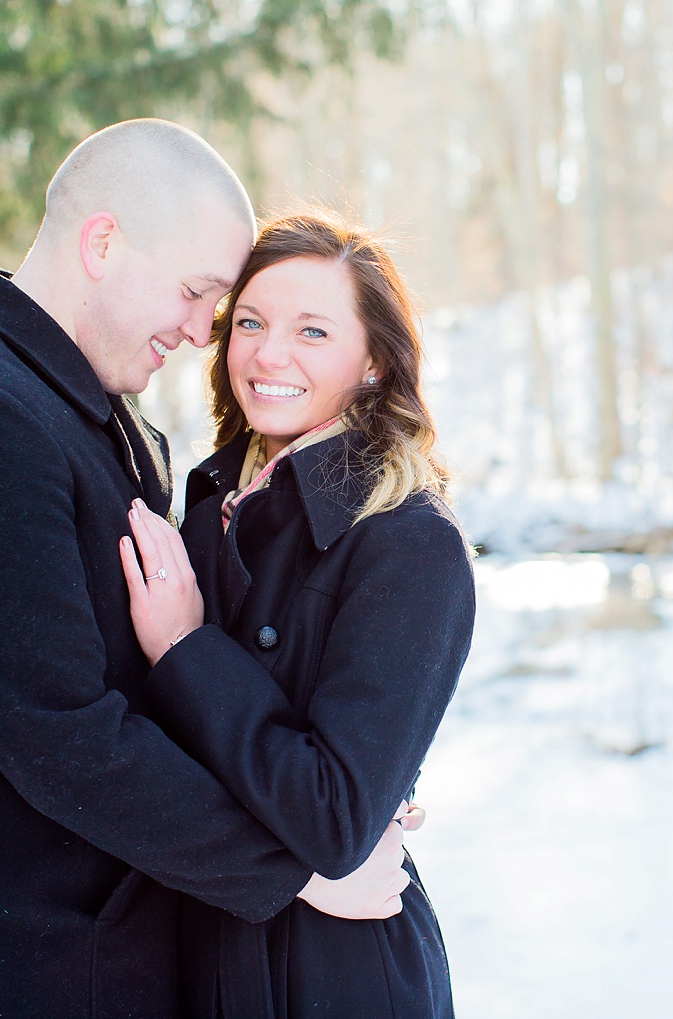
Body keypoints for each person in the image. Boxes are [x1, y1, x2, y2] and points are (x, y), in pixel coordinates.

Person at [0, 120, 415, 1017]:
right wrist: (298, 867)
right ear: (103, 242)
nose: (199, 333)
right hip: (11, 979)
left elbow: (168, 669)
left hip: (111, 966)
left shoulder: (87, 410)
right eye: (196, 294)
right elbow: (63, 735)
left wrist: (349, 772)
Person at [116, 211, 475, 1018]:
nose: (268, 354)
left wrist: (185, 647)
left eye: (313, 331)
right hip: (196, 949)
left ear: (377, 360)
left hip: (333, 973)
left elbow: (336, 816)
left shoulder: (409, 541)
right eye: (250, 322)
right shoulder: (205, 513)